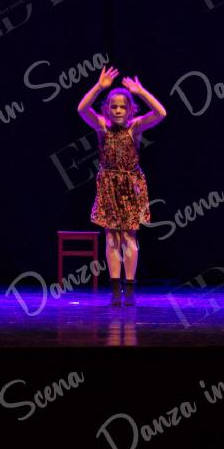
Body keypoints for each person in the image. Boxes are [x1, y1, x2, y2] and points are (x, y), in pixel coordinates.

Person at [77, 66, 167, 305]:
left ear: (130, 109)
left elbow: (161, 113)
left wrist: (141, 92)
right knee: (112, 237)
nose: (118, 110)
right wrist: (99, 87)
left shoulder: (134, 127)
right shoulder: (102, 126)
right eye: (114, 106)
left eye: (123, 107)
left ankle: (129, 288)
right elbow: (82, 109)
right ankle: (115, 288)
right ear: (107, 109)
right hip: (109, 184)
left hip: (130, 184)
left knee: (129, 236)